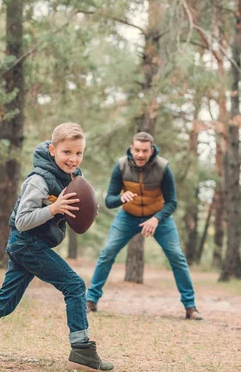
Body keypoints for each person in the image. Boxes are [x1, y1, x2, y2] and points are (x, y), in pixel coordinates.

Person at [0, 122, 114, 372]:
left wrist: (85, 210)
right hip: (27, 243)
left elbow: (68, 210)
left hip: (30, 245)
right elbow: (23, 221)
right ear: (52, 149)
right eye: (67, 152)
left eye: (79, 153)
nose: (73, 159)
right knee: (75, 285)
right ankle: (82, 351)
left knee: (5, 303)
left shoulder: (71, 178)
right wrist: (53, 209)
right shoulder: (38, 179)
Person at [86, 131, 202, 320]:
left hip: (159, 217)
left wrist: (156, 219)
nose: (140, 154)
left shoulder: (163, 168)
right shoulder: (122, 166)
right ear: (131, 148)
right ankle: (91, 300)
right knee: (107, 252)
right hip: (127, 216)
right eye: (137, 150)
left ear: (151, 150)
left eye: (144, 151)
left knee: (176, 256)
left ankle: (190, 306)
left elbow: (172, 202)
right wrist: (120, 198)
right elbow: (109, 200)